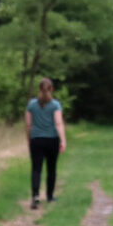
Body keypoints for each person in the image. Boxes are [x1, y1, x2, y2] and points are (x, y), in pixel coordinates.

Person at [25, 77, 66, 210]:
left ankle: (35, 196)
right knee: (51, 168)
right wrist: (63, 140)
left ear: (39, 89)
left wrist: (28, 139)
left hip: (36, 140)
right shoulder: (55, 105)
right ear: (52, 89)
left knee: (36, 169)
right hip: (52, 140)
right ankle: (49, 196)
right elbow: (58, 123)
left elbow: (28, 124)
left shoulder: (31, 104)